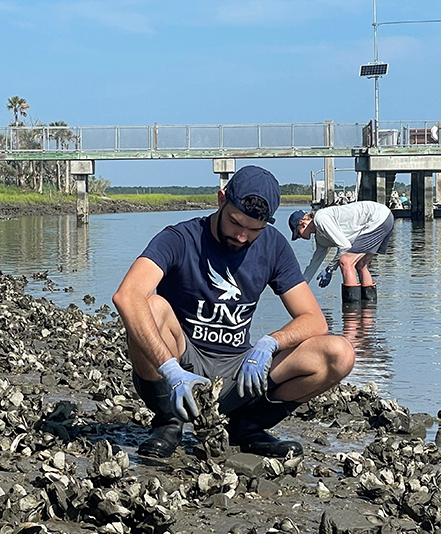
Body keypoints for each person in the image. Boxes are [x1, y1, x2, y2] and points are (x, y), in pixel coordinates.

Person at [112, 165, 355, 459]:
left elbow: (313, 319)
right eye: (235, 223)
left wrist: (270, 343)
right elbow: (127, 296)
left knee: (338, 353)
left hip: (239, 370)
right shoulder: (181, 238)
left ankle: (246, 427)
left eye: (254, 230)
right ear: (220, 199)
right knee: (152, 305)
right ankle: (168, 422)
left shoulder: (273, 246)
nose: (242, 236)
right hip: (181, 363)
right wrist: (170, 369)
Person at [288, 200, 395, 303]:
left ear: (302, 223)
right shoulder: (320, 238)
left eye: (297, 233)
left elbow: (345, 246)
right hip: (386, 216)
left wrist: (330, 268)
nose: (298, 237)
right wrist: (300, 288)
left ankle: (352, 310)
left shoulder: (320, 218)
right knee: (361, 264)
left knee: (345, 262)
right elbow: (314, 264)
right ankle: (369, 307)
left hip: (377, 218)